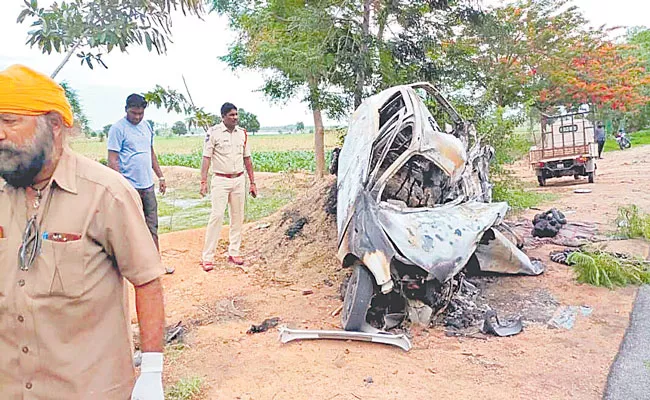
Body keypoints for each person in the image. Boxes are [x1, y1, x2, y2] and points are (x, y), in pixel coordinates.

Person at [0, 65, 166, 398]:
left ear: (55, 125)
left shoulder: (106, 194)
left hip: (87, 388)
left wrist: (151, 372)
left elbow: (147, 279)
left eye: (10, 121)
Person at [107, 94, 174, 274]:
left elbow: (150, 153)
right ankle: (129, 268)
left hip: (147, 186)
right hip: (129, 187)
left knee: (152, 226)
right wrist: (120, 186)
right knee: (129, 228)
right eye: (134, 113)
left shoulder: (147, 127)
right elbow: (112, 160)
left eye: (140, 113)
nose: (137, 117)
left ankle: (156, 265)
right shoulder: (117, 129)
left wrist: (160, 177)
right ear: (126, 109)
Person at [199, 102, 257, 271]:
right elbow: (206, 158)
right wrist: (203, 181)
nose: (235, 118)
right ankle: (207, 257)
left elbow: (247, 159)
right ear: (223, 117)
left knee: (237, 217)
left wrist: (252, 182)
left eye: (236, 114)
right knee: (217, 216)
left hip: (239, 179)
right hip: (220, 180)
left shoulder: (242, 134)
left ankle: (234, 252)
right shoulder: (213, 133)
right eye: (231, 115)